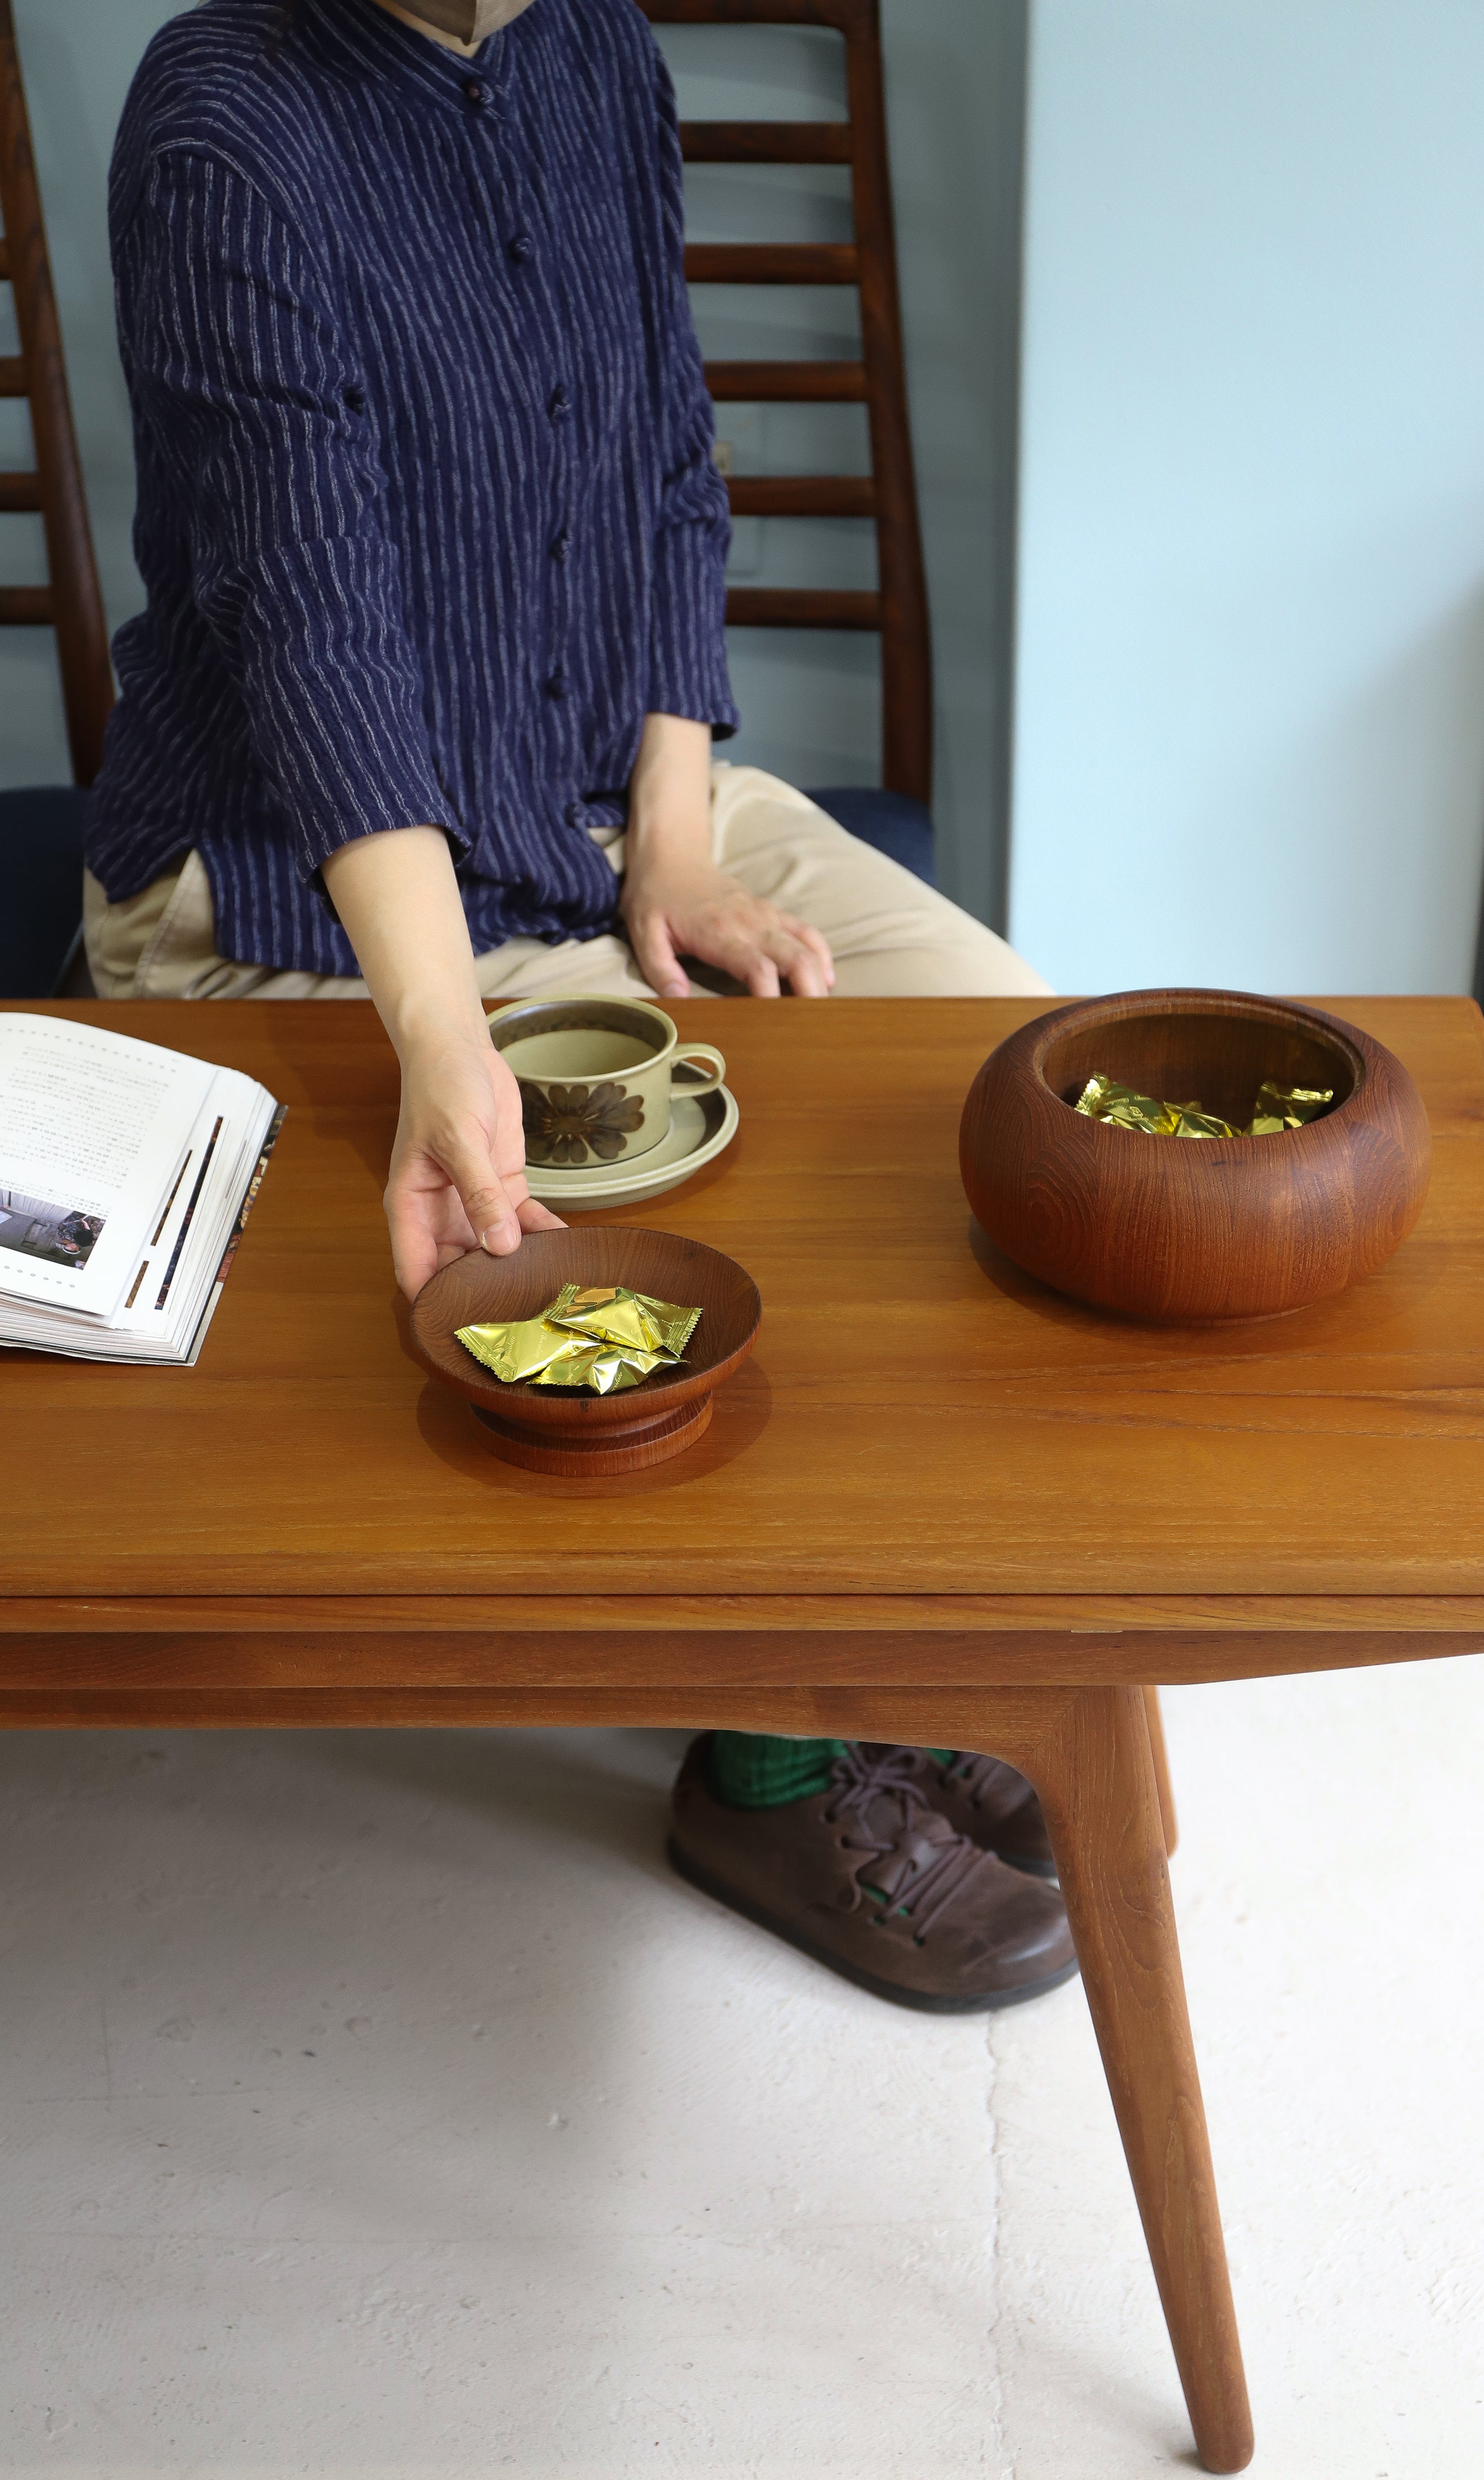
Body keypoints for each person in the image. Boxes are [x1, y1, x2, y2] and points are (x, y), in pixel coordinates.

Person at [87, 0, 1073, 2011]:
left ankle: (886, 1635)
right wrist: (447, 1044)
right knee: (716, 1190)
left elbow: (665, 459)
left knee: (1006, 1067)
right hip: (310, 869)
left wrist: (682, 838)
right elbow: (313, 612)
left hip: (591, 804)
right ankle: (777, 1757)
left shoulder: (596, 52)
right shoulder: (225, 117)